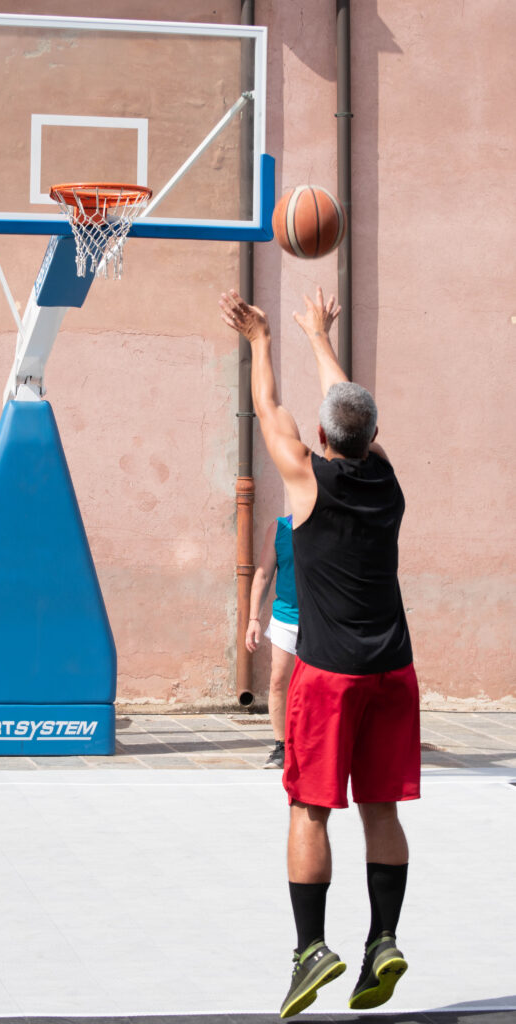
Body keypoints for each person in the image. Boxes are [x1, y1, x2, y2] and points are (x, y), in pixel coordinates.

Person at [219, 286, 420, 1017]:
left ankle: (311, 949)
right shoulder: (386, 480)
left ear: (322, 438)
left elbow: (272, 412)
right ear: (370, 435)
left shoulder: (308, 481)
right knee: (380, 812)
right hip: (393, 674)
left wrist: (264, 342)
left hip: (329, 677)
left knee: (309, 811)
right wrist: (318, 336)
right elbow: (349, 408)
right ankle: (384, 938)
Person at [246, 516, 299, 769]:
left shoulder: (333, 522)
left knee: (326, 685)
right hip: (286, 618)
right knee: (279, 681)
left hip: (325, 620)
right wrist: (254, 618)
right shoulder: (279, 528)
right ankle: (282, 746)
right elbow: (264, 574)